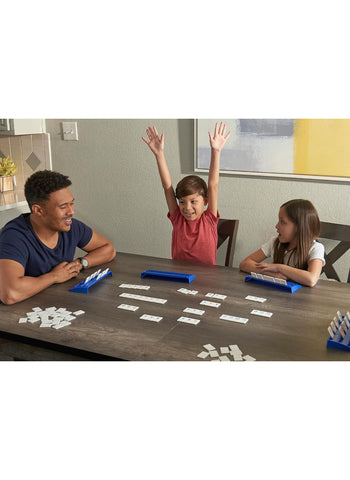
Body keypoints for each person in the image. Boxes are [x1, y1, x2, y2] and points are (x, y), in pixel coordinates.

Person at [0, 170, 116, 304]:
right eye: (63, 206)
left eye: (71, 203)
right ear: (38, 210)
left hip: (55, 303)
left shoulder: (71, 226)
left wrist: (80, 263)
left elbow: (108, 249)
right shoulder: (14, 236)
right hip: (14, 317)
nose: (71, 211)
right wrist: (54, 276)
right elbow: (10, 293)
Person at [142, 122, 230, 265]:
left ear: (205, 201)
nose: (187, 208)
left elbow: (213, 185)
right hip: (180, 279)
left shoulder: (209, 219)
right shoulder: (178, 218)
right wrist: (159, 154)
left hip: (207, 281)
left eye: (193, 201)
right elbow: (167, 187)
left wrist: (216, 151)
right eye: (182, 202)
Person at [239, 199, 325, 287]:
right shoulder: (275, 242)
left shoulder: (316, 248)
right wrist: (270, 273)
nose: (276, 226)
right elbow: (245, 263)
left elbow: (311, 279)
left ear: (300, 227)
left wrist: (279, 267)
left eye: (282, 222)